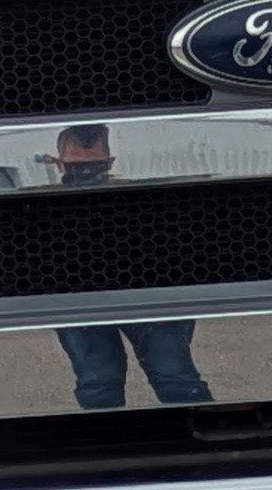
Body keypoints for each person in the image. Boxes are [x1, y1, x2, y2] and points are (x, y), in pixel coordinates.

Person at [46, 122, 211, 410]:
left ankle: (207, 447)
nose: (85, 175)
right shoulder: (42, 204)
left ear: (109, 163)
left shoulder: (139, 197)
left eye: (93, 167)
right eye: (76, 168)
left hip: (149, 294)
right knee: (98, 384)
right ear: (60, 164)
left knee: (176, 378)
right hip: (78, 299)